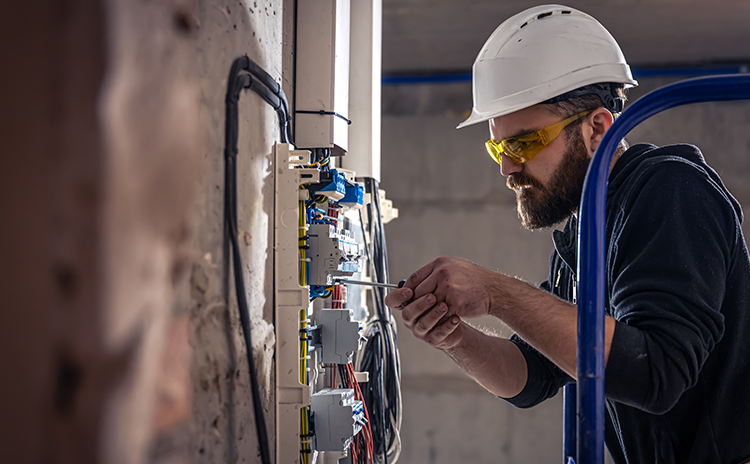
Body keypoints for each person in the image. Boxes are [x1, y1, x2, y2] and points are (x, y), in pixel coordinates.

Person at [384, 5, 750, 464]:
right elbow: (531, 376)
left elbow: (654, 375)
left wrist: (495, 291)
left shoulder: (670, 192)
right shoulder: (588, 225)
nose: (507, 167)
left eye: (523, 143)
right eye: (498, 145)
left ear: (597, 128)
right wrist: (456, 337)